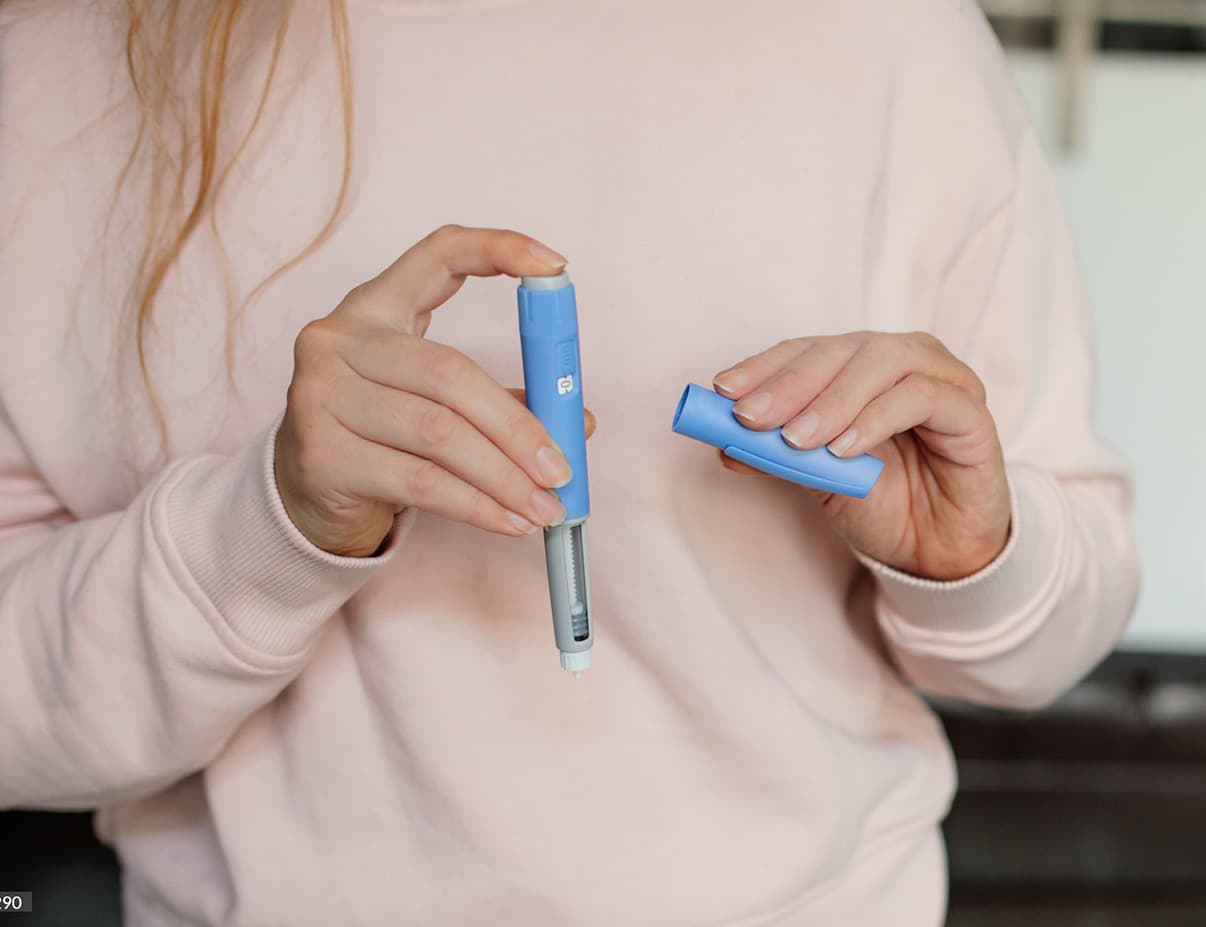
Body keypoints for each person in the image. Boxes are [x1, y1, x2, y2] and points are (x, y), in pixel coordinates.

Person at [0, 0, 1138, 924]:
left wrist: (976, 557)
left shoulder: (892, 38)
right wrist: (269, 531)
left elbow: (1052, 635)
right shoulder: (58, 69)